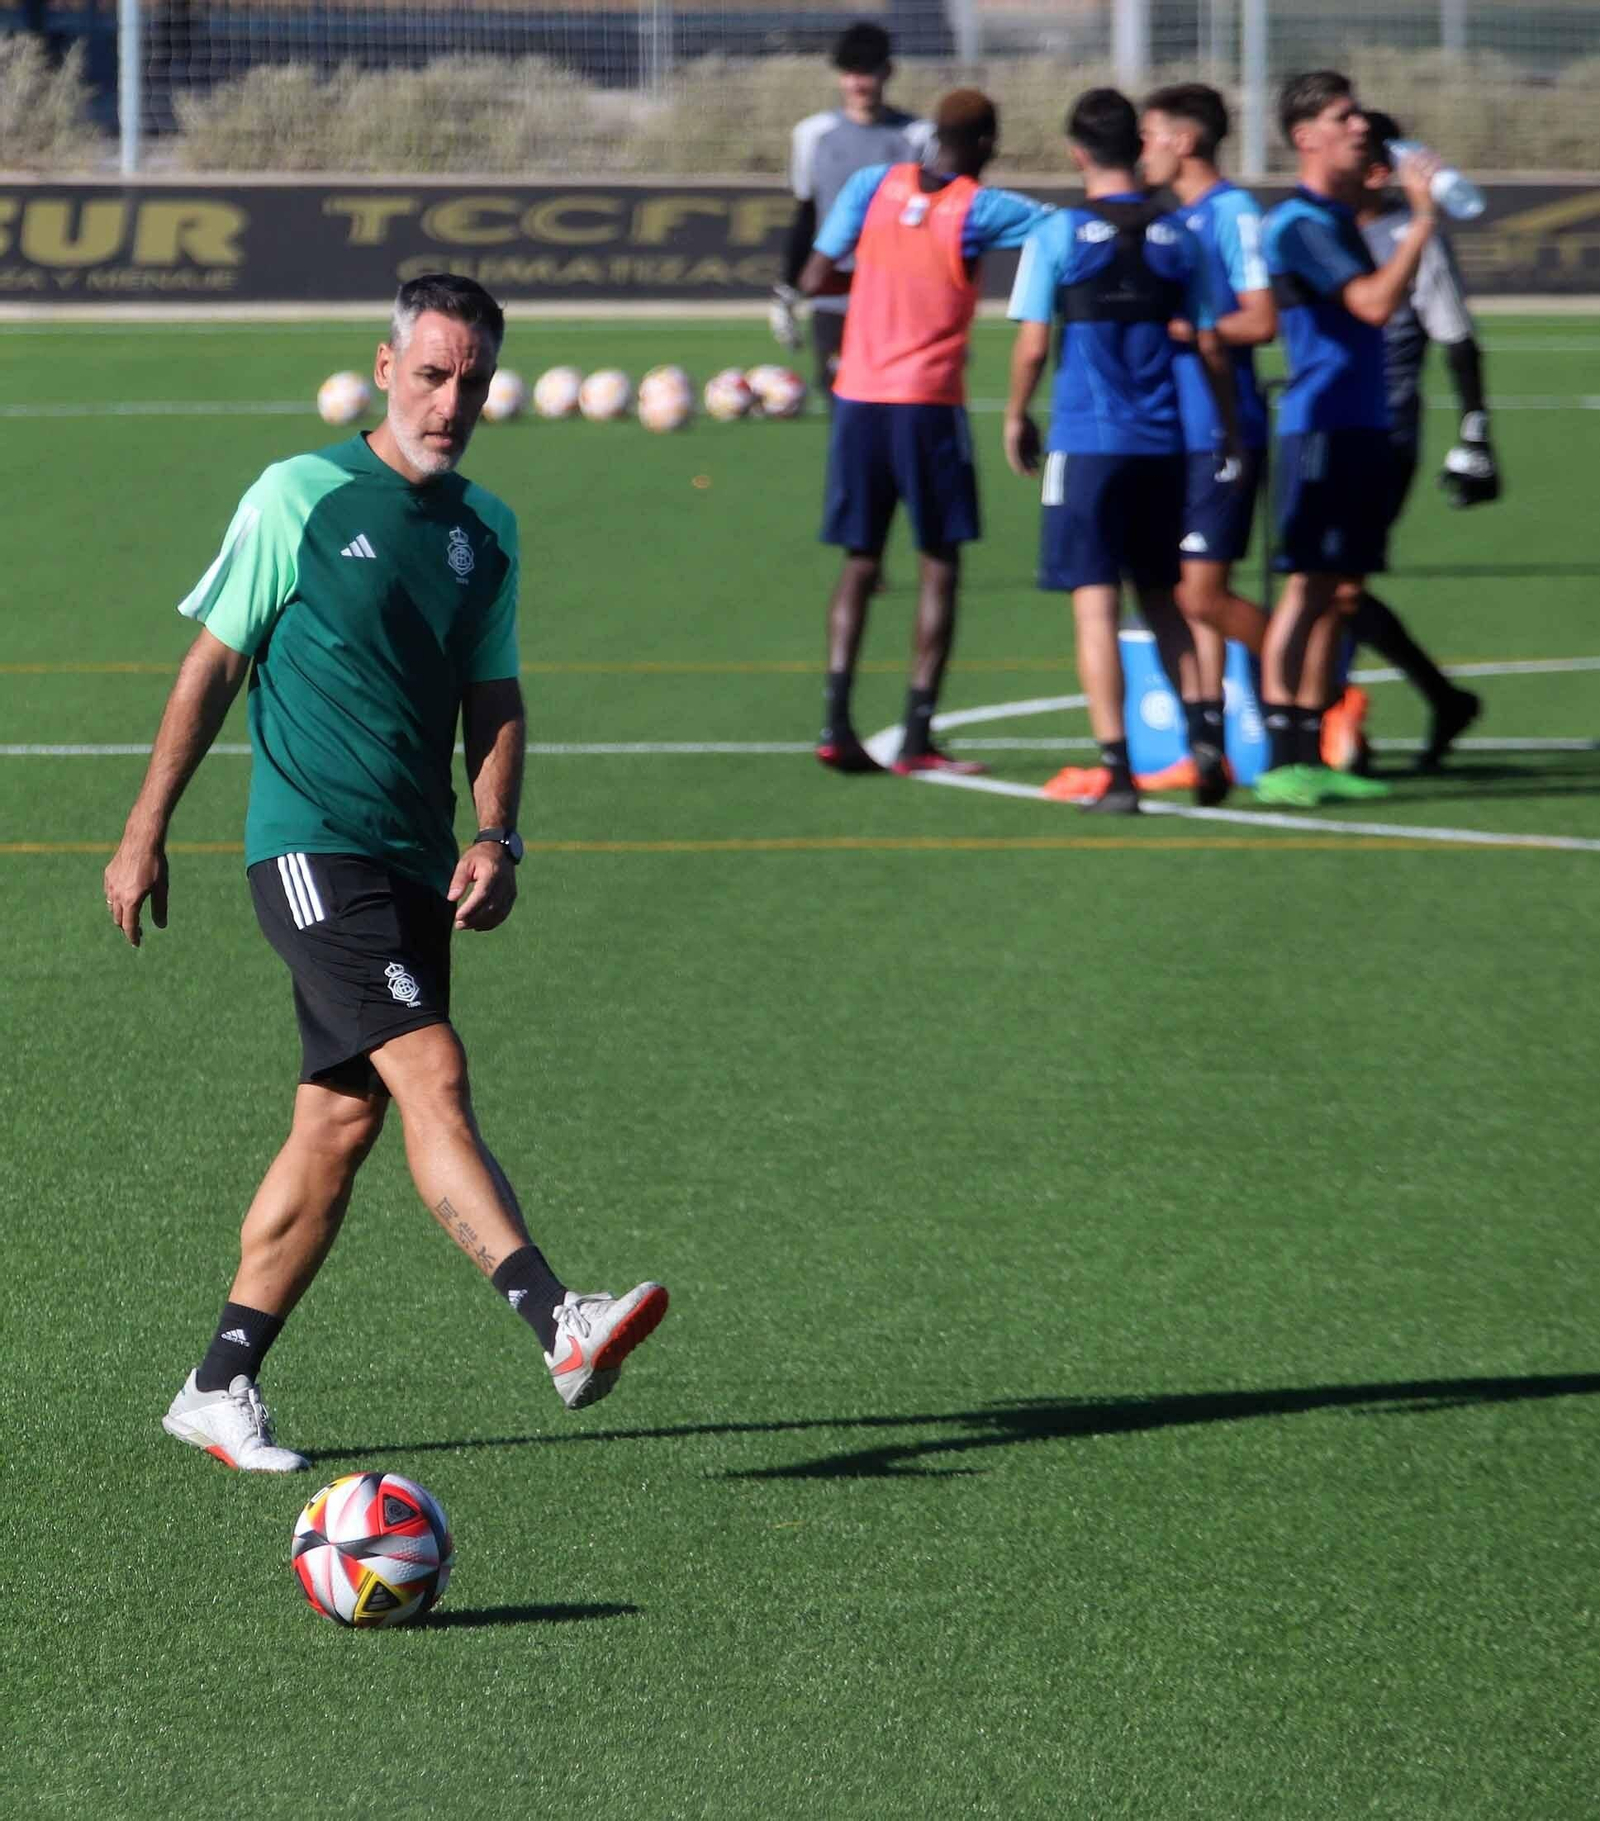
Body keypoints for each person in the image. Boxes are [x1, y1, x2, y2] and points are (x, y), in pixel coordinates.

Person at [103, 274, 668, 1473]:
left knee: (338, 1125)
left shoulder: (486, 531)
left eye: (473, 380)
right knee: (433, 1071)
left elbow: (493, 696)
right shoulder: (297, 496)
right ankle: (556, 1317)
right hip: (310, 844)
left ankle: (219, 1384)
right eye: (431, 373)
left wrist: (495, 833)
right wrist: (144, 829)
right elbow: (210, 667)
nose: (450, 400)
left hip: (415, 858)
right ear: (384, 366)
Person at [799, 88, 1053, 775]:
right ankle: (915, 737)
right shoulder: (982, 207)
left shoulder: (870, 185)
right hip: (928, 403)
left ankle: (834, 725)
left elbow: (816, 274)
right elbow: (1064, 231)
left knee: (860, 563)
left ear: (931, 137)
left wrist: (883, 277)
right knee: (939, 563)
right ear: (987, 145)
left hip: (858, 398)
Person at [1004, 87, 1241, 813]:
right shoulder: (1181, 237)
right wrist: (1228, 423)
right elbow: (1207, 340)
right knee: (1164, 602)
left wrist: (1016, 414)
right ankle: (1207, 743)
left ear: (1078, 152)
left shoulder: (1057, 235)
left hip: (1087, 441)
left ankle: (1118, 769)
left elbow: (1034, 343)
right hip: (1164, 444)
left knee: (1094, 608)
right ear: (1139, 149)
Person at [1254, 71, 1444, 807]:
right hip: (1321, 427)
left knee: (1335, 594)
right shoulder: (1298, 225)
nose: (1360, 125)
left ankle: (1314, 747)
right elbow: (1370, 305)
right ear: (1307, 138)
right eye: (1343, 117)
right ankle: (1282, 755)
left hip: (1360, 424)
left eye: (1360, 113)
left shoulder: (1334, 220)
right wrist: (1421, 221)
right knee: (1304, 590)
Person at [1137, 82, 1276, 790]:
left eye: (1150, 134)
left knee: (1203, 597)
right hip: (1168, 433)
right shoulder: (1168, 219)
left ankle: (1322, 688)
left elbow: (1261, 319)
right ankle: (1206, 749)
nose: (1142, 148)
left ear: (1184, 141)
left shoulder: (1233, 213)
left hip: (1223, 432)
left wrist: (1184, 330)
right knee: (1180, 592)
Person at [1346, 110, 1488, 769]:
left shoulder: (1412, 235)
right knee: (1327, 581)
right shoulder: (1317, 227)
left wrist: (1475, 434)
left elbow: (1456, 337)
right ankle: (1436, 697)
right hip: (1322, 424)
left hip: (1384, 430)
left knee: (1335, 581)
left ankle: (1329, 721)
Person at [772, 20, 934, 400]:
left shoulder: (919, 137)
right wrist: (787, 290)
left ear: (887, 73)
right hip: (833, 284)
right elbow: (805, 214)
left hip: (897, 287)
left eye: (869, 72)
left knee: (897, 396)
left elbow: (934, 224)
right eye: (850, 73)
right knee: (838, 393)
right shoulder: (812, 135)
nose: (859, 83)